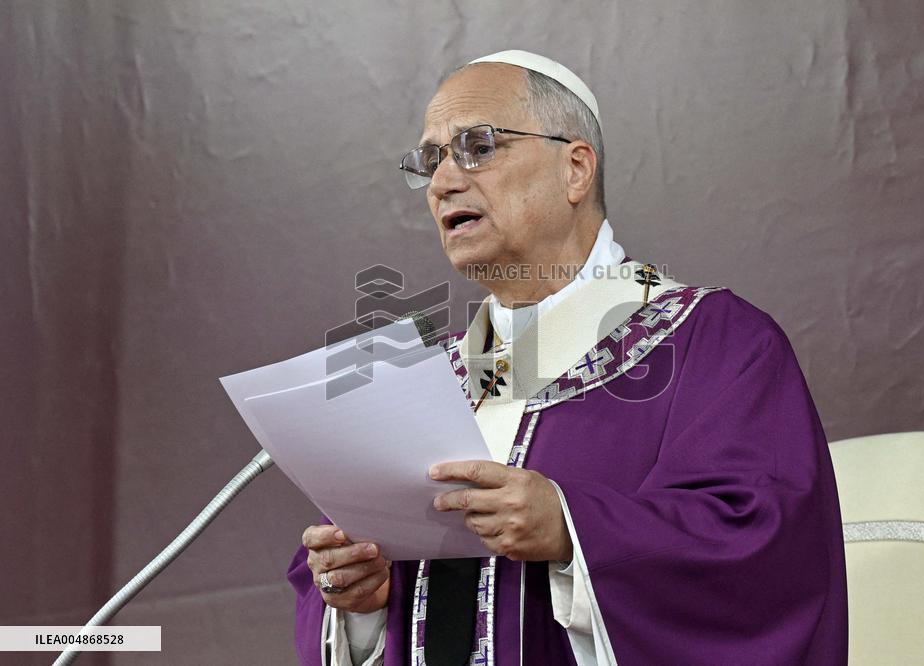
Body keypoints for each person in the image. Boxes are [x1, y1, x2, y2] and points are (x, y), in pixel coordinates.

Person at [288, 50, 848, 665]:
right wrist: (365, 604)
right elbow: (353, 582)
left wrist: (571, 529)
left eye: (477, 146)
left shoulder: (714, 342)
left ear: (576, 169)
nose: (445, 180)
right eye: (431, 161)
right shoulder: (427, 384)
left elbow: (768, 557)